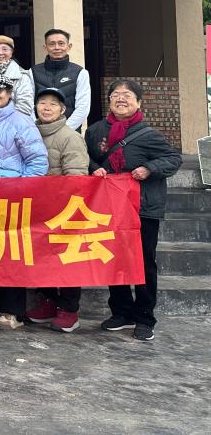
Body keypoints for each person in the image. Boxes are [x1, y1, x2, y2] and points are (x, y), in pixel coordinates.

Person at [85, 79, 182, 342]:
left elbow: (173, 158)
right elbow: (86, 156)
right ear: (109, 101)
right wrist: (95, 167)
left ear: (138, 102)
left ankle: (145, 317)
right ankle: (121, 312)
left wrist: (149, 168)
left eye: (127, 95)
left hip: (143, 208)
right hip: (110, 207)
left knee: (143, 262)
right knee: (114, 259)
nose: (121, 99)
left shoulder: (149, 134)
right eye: (116, 94)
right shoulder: (95, 131)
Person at [0, 74, 48, 330]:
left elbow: (37, 161)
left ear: (9, 93)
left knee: (12, 252)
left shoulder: (21, 121)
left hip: (13, 195)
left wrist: (21, 189)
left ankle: (14, 311)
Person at [25, 87, 90, 333]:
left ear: (62, 110)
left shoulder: (70, 137)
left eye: (53, 104)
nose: (47, 107)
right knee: (42, 258)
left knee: (67, 259)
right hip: (36, 207)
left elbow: (76, 177)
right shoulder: (30, 132)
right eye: (43, 103)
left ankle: (69, 309)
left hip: (63, 209)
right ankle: (49, 302)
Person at [30, 28, 91, 131]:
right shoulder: (32, 72)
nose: (57, 47)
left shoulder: (80, 73)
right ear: (45, 47)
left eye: (61, 43)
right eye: (52, 44)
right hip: (38, 132)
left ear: (69, 46)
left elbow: (83, 107)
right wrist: (36, 128)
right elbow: (28, 105)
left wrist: (64, 130)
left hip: (69, 133)